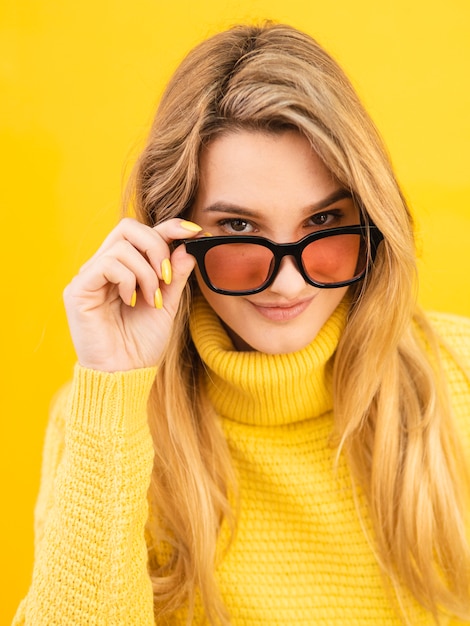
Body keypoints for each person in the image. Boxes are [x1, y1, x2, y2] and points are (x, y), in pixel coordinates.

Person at [13, 22, 470, 626]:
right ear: (173, 234)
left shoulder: (459, 374)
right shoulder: (101, 417)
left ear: (370, 221)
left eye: (324, 222)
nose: (288, 282)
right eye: (237, 230)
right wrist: (115, 389)